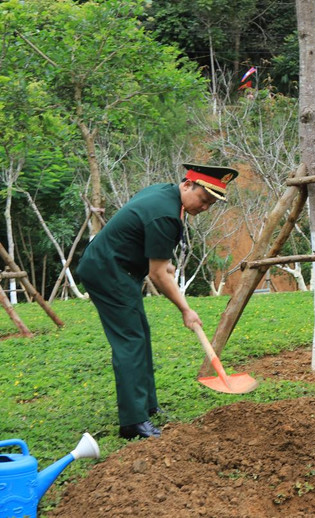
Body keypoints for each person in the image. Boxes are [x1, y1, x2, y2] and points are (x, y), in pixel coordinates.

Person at [76, 164, 238, 439]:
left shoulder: (166, 194)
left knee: (140, 336)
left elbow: (154, 254)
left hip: (119, 268)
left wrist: (164, 264)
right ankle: (133, 423)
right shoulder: (165, 215)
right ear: (188, 185)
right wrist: (185, 309)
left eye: (211, 203)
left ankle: (147, 406)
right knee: (130, 342)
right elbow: (158, 274)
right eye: (204, 199)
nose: (205, 207)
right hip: (109, 271)